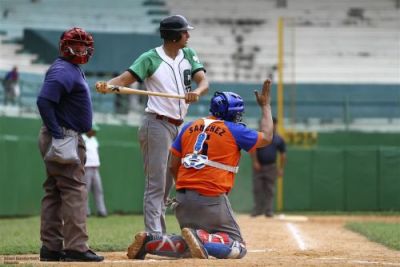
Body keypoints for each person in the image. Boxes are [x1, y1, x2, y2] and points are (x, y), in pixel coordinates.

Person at [126, 79, 274, 260]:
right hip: (211, 199)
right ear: (231, 113)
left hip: (182, 201)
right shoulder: (234, 130)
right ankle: (202, 237)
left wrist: (184, 187)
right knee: (237, 245)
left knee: (189, 247)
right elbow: (267, 137)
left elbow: (173, 165)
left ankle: (150, 241)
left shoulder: (188, 126)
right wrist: (265, 106)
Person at [96, 15, 209, 235]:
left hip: (179, 127)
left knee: (169, 185)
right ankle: (155, 236)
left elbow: (204, 81)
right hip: (157, 124)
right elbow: (124, 81)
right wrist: (106, 86)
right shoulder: (150, 58)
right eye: (185, 32)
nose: (188, 35)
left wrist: (196, 92)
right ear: (175, 36)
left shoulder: (188, 53)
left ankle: (165, 233)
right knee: (156, 184)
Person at [36, 27, 103, 262]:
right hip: (64, 135)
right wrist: (58, 134)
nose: (82, 49)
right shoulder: (64, 70)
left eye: (85, 45)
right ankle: (76, 247)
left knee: (54, 191)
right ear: (65, 46)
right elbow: (44, 101)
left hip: (61, 134)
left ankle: (51, 248)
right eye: (77, 44)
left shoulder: (68, 68)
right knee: (75, 190)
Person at [250, 117, 286, 217]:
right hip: (259, 167)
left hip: (271, 167)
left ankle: (268, 210)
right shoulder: (260, 136)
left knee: (269, 189)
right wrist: (255, 161)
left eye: (274, 124)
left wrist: (281, 168)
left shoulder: (278, 139)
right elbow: (253, 149)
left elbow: (283, 154)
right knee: (257, 189)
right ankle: (257, 209)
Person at [83, 123, 108, 217]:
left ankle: (101, 211)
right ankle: (85, 212)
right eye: (93, 130)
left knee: (99, 190)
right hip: (86, 168)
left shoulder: (94, 140)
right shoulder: (82, 139)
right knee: (85, 191)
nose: (95, 132)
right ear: (88, 130)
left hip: (95, 168)